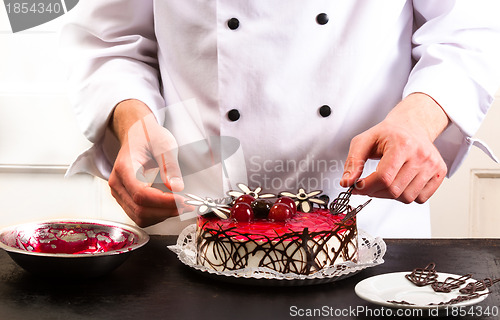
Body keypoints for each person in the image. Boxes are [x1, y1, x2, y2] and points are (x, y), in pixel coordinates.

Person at [61, 1, 500, 237]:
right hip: (197, 219)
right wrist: (132, 119)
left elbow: (467, 27)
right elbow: (112, 40)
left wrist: (419, 119)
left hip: (366, 219)